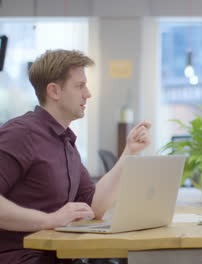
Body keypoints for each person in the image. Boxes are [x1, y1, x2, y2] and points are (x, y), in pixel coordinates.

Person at [0, 49, 151, 264]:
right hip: (22, 258)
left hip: (60, 256)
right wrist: (49, 220)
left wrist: (129, 153)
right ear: (54, 91)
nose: (87, 93)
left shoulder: (66, 142)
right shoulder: (21, 133)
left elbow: (95, 206)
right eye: (80, 86)